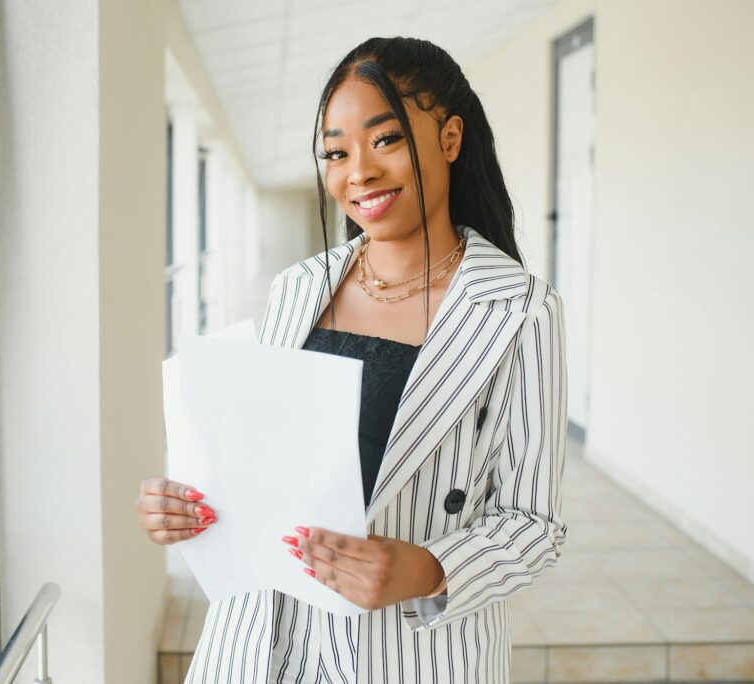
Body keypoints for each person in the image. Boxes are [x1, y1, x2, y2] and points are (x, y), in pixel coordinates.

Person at [136, 36, 568, 683]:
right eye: (336, 152)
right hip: (266, 639)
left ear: (450, 138)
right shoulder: (296, 289)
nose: (357, 172)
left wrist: (423, 567)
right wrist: (189, 505)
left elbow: (535, 525)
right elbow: (263, 468)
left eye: (385, 139)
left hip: (417, 649)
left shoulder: (521, 310)